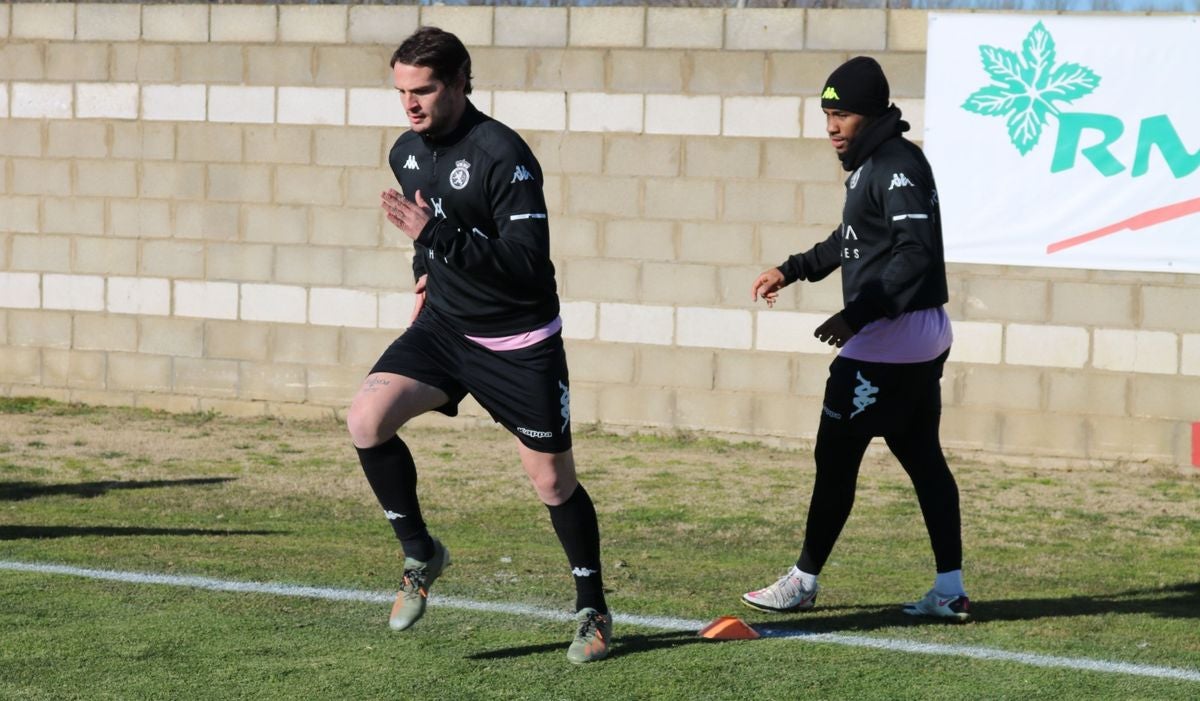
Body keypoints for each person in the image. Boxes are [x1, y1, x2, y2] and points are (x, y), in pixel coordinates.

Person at [345, 27, 612, 663]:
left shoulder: (503, 156)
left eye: (426, 90)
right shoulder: (405, 152)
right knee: (366, 419)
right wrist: (423, 271)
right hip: (444, 329)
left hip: (518, 341)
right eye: (402, 91)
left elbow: (526, 262)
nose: (411, 104)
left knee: (551, 483)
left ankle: (594, 611)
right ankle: (419, 553)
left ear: (463, 81)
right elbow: (425, 233)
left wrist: (434, 235)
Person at [743, 56, 969, 621]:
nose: (831, 127)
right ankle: (950, 589)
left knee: (835, 458)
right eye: (826, 114)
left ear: (869, 115)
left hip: (890, 335)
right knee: (922, 458)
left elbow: (914, 254)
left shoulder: (897, 166)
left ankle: (802, 581)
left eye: (841, 114)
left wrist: (857, 315)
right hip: (913, 333)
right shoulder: (872, 167)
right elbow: (853, 240)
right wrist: (791, 269)